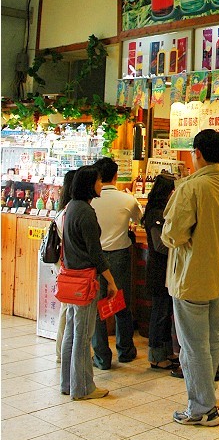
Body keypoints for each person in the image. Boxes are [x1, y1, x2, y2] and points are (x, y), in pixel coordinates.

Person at [162, 129, 219, 426]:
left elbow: (173, 234)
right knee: (211, 339)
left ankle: (202, 408)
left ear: (197, 153)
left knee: (193, 345)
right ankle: (208, 396)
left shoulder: (192, 187)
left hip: (192, 277)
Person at [60, 165, 117, 400]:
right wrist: (111, 281)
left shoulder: (71, 207)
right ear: (89, 184)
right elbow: (96, 253)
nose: (101, 185)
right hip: (86, 281)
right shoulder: (85, 212)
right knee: (83, 336)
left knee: (72, 332)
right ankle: (83, 388)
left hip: (71, 279)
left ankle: (68, 383)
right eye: (98, 181)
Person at [91, 156, 142, 369]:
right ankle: (125, 350)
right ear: (116, 176)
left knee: (97, 308)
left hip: (95, 258)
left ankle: (101, 357)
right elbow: (139, 220)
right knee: (121, 303)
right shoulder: (127, 200)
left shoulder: (90, 200)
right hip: (119, 256)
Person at [141, 173, 179, 370]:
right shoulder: (156, 214)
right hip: (158, 269)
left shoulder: (162, 211)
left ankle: (166, 352)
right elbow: (159, 245)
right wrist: (179, 246)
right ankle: (156, 356)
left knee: (166, 311)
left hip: (164, 269)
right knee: (160, 313)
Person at [54, 169, 77, 363]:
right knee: (68, 309)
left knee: (66, 308)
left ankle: (61, 351)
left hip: (62, 263)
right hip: (68, 265)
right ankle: (63, 352)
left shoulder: (63, 210)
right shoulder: (71, 211)